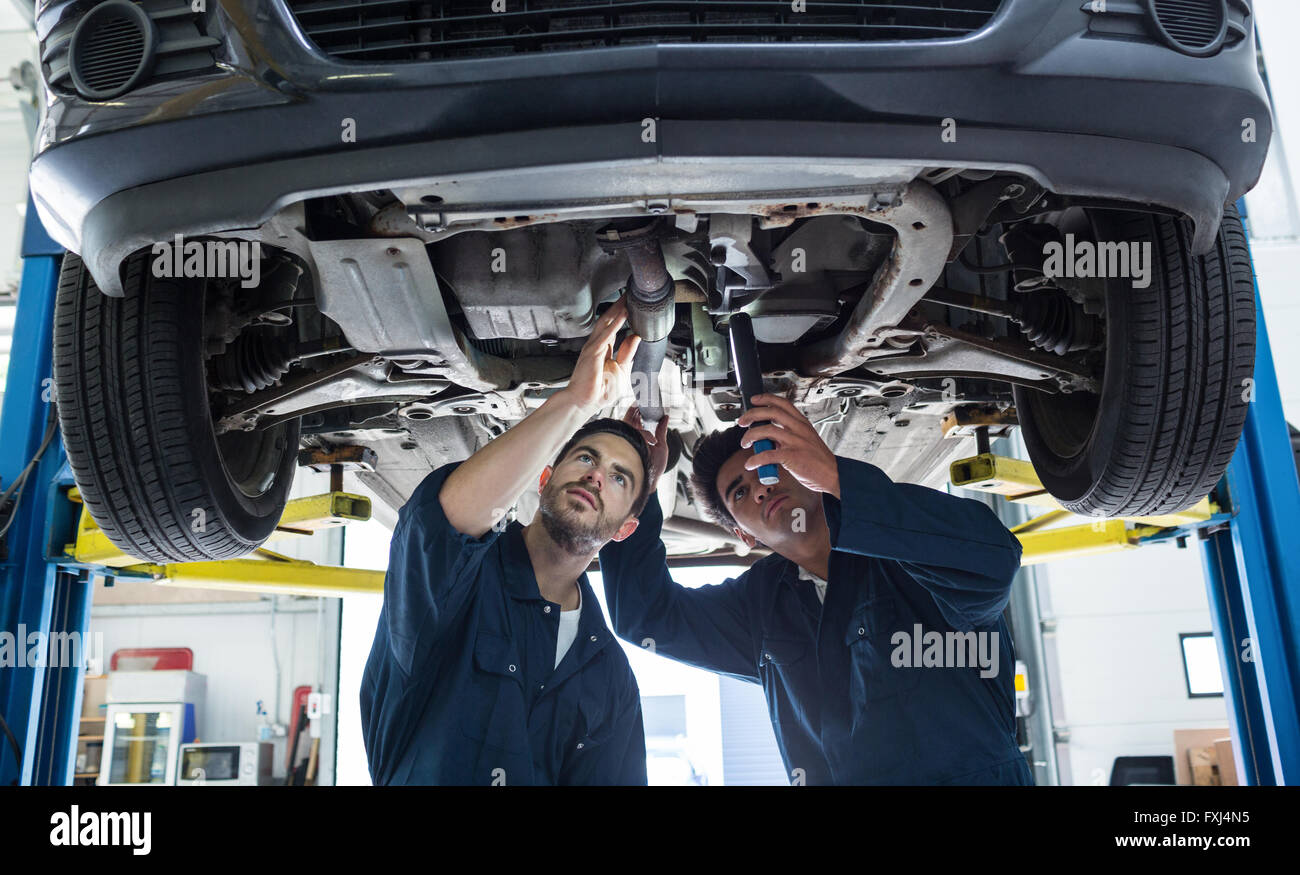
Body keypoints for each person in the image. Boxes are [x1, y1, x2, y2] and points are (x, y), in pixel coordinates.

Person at [603, 394, 1032, 785]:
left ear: (800, 462)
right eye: (740, 492)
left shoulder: (904, 546)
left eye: (766, 464)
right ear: (744, 535)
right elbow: (646, 617)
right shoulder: (759, 609)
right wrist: (636, 489)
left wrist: (836, 477)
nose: (761, 487)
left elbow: (993, 561)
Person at [361, 297, 659, 785]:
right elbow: (442, 521)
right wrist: (575, 403)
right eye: (585, 457)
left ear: (625, 529)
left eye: (620, 478)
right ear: (543, 478)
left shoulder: (610, 677)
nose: (596, 476)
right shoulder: (465, 580)